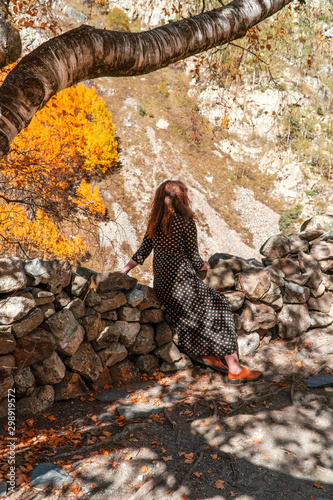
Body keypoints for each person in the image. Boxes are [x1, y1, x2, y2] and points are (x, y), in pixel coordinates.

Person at [120, 180, 262, 384]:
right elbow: (195, 260)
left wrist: (124, 271)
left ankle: (209, 356)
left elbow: (143, 251)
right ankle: (235, 369)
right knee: (219, 305)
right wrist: (207, 266)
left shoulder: (155, 221)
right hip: (183, 283)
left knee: (189, 317)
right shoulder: (185, 221)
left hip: (162, 286)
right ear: (182, 198)